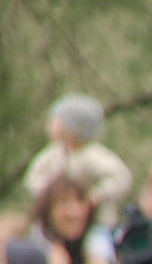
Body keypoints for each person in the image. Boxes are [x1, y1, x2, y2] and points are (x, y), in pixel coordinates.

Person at [24, 93, 134, 228]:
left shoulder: (94, 156)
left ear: (75, 128)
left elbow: (121, 177)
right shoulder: (54, 153)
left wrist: (96, 196)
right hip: (57, 222)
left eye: (56, 121)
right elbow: (34, 177)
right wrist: (51, 195)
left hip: (95, 222)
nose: (50, 125)